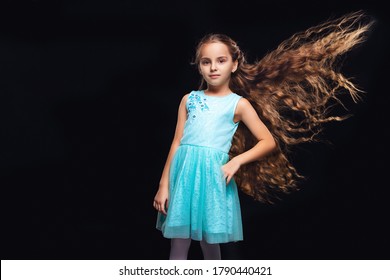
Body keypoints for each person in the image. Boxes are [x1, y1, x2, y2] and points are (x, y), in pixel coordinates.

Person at [153, 11, 374, 260]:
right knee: (178, 245)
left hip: (213, 177)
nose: (213, 67)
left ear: (234, 64)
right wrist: (164, 185)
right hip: (183, 176)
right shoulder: (189, 99)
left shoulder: (238, 104)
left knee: (209, 244)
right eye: (206, 62)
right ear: (199, 65)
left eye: (221, 60)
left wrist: (236, 160)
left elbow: (268, 141)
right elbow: (177, 141)